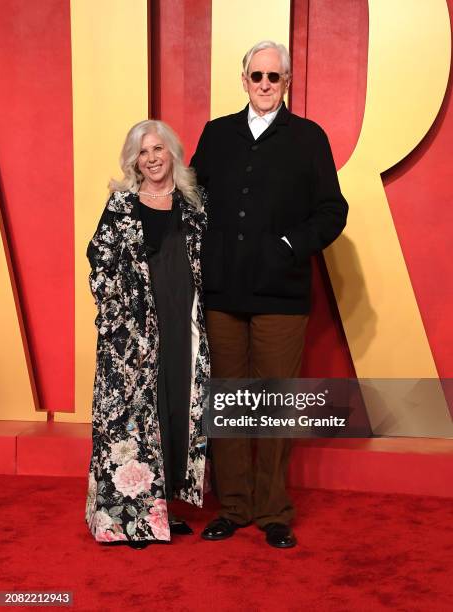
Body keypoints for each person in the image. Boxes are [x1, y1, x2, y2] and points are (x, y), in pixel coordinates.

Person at [190, 40, 348, 548]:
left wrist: (288, 245)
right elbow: (191, 196)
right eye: (256, 76)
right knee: (229, 401)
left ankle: (273, 509)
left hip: (281, 292)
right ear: (243, 79)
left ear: (287, 83)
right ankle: (234, 506)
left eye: (273, 77)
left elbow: (331, 210)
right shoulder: (217, 134)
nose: (263, 85)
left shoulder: (308, 138)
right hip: (222, 292)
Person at [85, 119, 209, 549]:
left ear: (172, 151)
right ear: (134, 160)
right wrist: (117, 318)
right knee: (132, 419)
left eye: (158, 149)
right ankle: (125, 521)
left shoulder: (194, 205)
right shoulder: (120, 205)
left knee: (173, 409)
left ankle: (162, 511)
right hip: (131, 335)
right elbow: (98, 261)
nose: (152, 158)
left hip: (182, 325)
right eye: (143, 152)